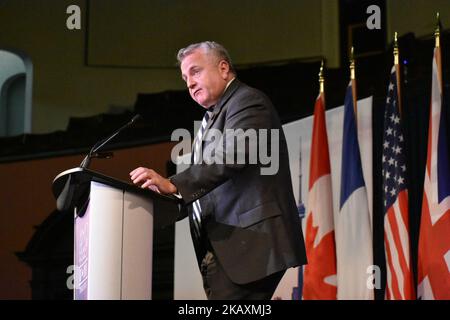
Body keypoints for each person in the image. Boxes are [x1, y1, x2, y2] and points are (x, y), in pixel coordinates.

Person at [130, 41, 306, 299]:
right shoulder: (212, 118)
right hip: (226, 251)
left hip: (252, 244)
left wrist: (175, 184)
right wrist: (157, 205)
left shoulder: (248, 102)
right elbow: (208, 186)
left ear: (223, 68)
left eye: (195, 71)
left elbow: (229, 158)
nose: (189, 83)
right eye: (184, 77)